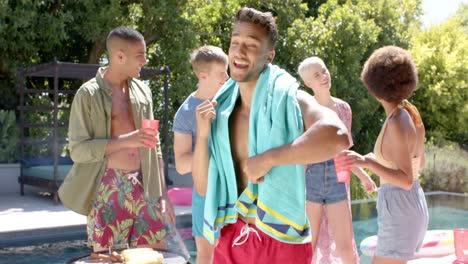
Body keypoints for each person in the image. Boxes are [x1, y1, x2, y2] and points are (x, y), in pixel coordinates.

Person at [192, 7, 351, 264]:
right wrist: (201, 136)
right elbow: (202, 187)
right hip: (232, 235)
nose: (239, 52)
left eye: (251, 45)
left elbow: (338, 135)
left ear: (269, 56)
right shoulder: (221, 109)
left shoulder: (288, 100)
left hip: (281, 240)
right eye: (235, 43)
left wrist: (269, 158)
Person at [58, 26, 188, 258]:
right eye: (140, 55)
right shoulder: (87, 94)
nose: (145, 61)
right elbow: (78, 150)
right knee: (109, 258)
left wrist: (163, 194)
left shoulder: (143, 92)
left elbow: (153, 144)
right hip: (108, 186)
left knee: (152, 257)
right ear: (119, 56)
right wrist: (129, 140)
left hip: (145, 185)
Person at [337, 46, 429, 264]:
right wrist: (365, 160)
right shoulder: (409, 112)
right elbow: (419, 164)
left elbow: (405, 180)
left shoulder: (397, 122)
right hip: (412, 202)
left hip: (399, 204)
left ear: (374, 86)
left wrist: (368, 162)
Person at [298, 56, 376, 263]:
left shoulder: (343, 109)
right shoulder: (303, 111)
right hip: (310, 181)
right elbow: (300, 154)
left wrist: (363, 176)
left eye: (324, 71)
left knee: (345, 248)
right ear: (307, 83)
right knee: (307, 247)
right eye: (317, 75)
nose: (324, 76)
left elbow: (344, 150)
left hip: (337, 182)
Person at [172, 45, 228, 264]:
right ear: (203, 75)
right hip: (205, 195)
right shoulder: (186, 113)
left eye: (227, 71)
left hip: (236, 190)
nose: (227, 78)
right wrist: (206, 147)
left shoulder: (233, 100)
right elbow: (181, 164)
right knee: (206, 256)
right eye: (221, 74)